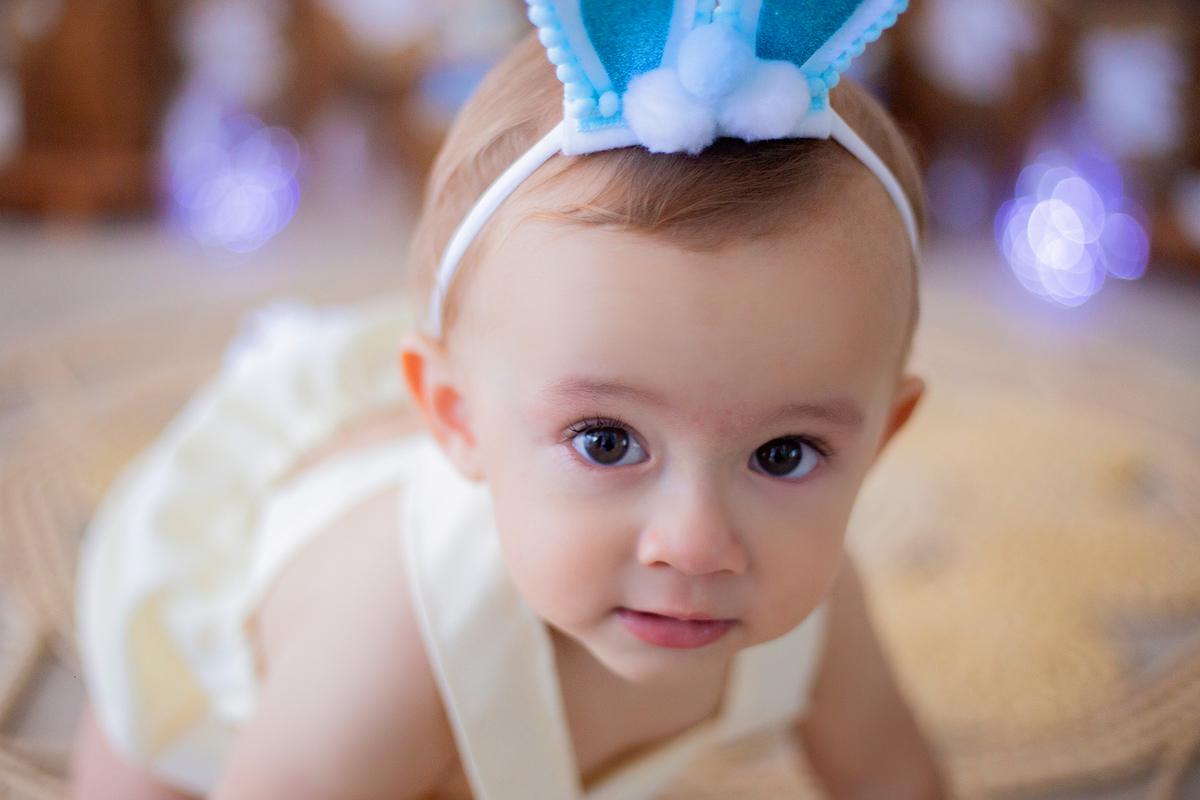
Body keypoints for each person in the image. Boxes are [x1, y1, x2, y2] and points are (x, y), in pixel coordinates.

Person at [71, 2, 945, 798]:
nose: (694, 544)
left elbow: (898, 779)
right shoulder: (383, 659)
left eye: (783, 453)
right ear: (457, 419)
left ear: (878, 440)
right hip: (242, 706)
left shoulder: (816, 610)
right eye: (606, 441)